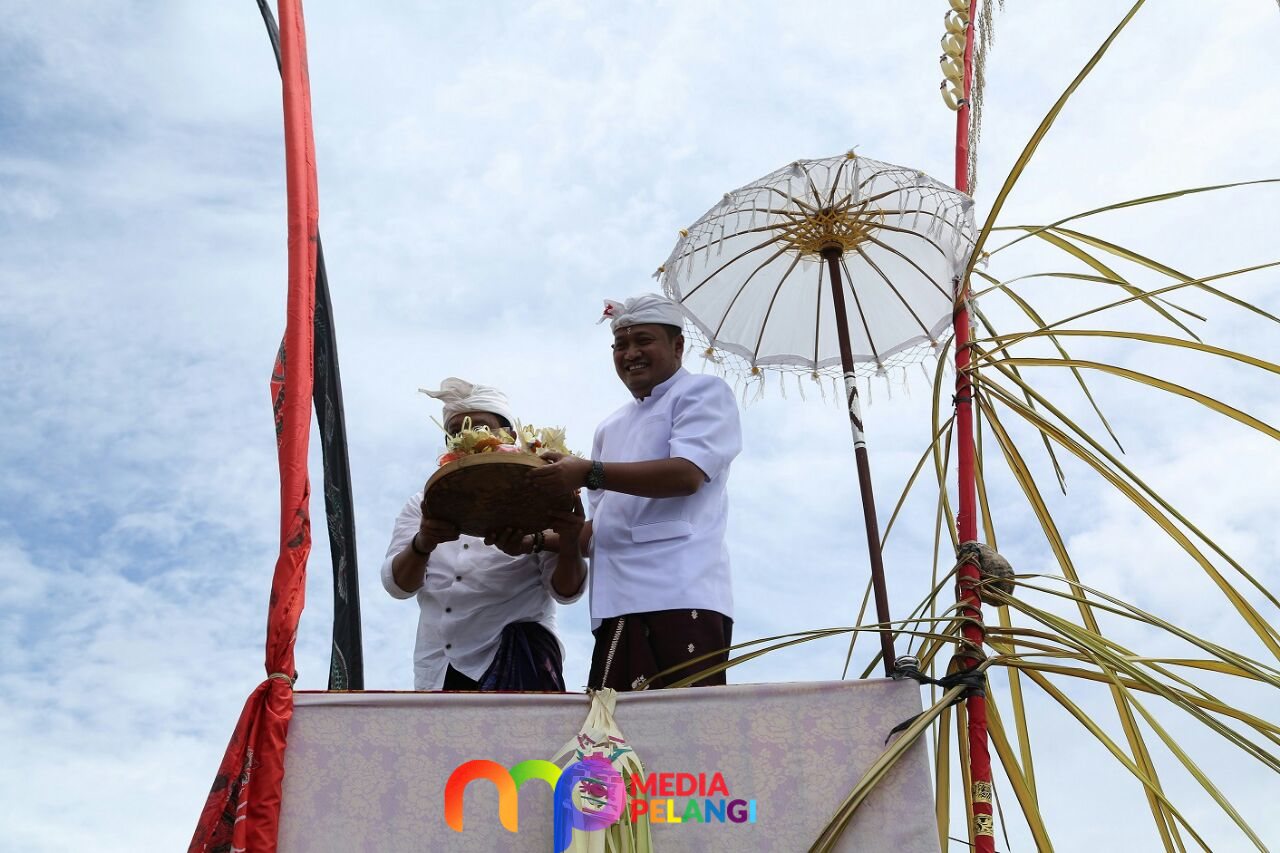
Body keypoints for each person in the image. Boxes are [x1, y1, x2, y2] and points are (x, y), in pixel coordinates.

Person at [530, 294, 742, 691]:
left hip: (681, 591)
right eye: (620, 345)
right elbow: (600, 529)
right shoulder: (609, 427)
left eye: (643, 341)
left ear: (678, 346)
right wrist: (536, 539)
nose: (630, 354)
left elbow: (686, 474)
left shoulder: (702, 393)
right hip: (615, 602)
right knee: (613, 739)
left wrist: (588, 472)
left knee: (686, 732)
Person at [381, 377, 586, 691]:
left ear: (510, 435)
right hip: (438, 670)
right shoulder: (422, 503)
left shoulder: (540, 494)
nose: (467, 436)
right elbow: (398, 587)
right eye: (455, 431)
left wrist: (568, 540)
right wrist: (423, 543)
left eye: (481, 427)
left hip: (519, 661)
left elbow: (566, 592)